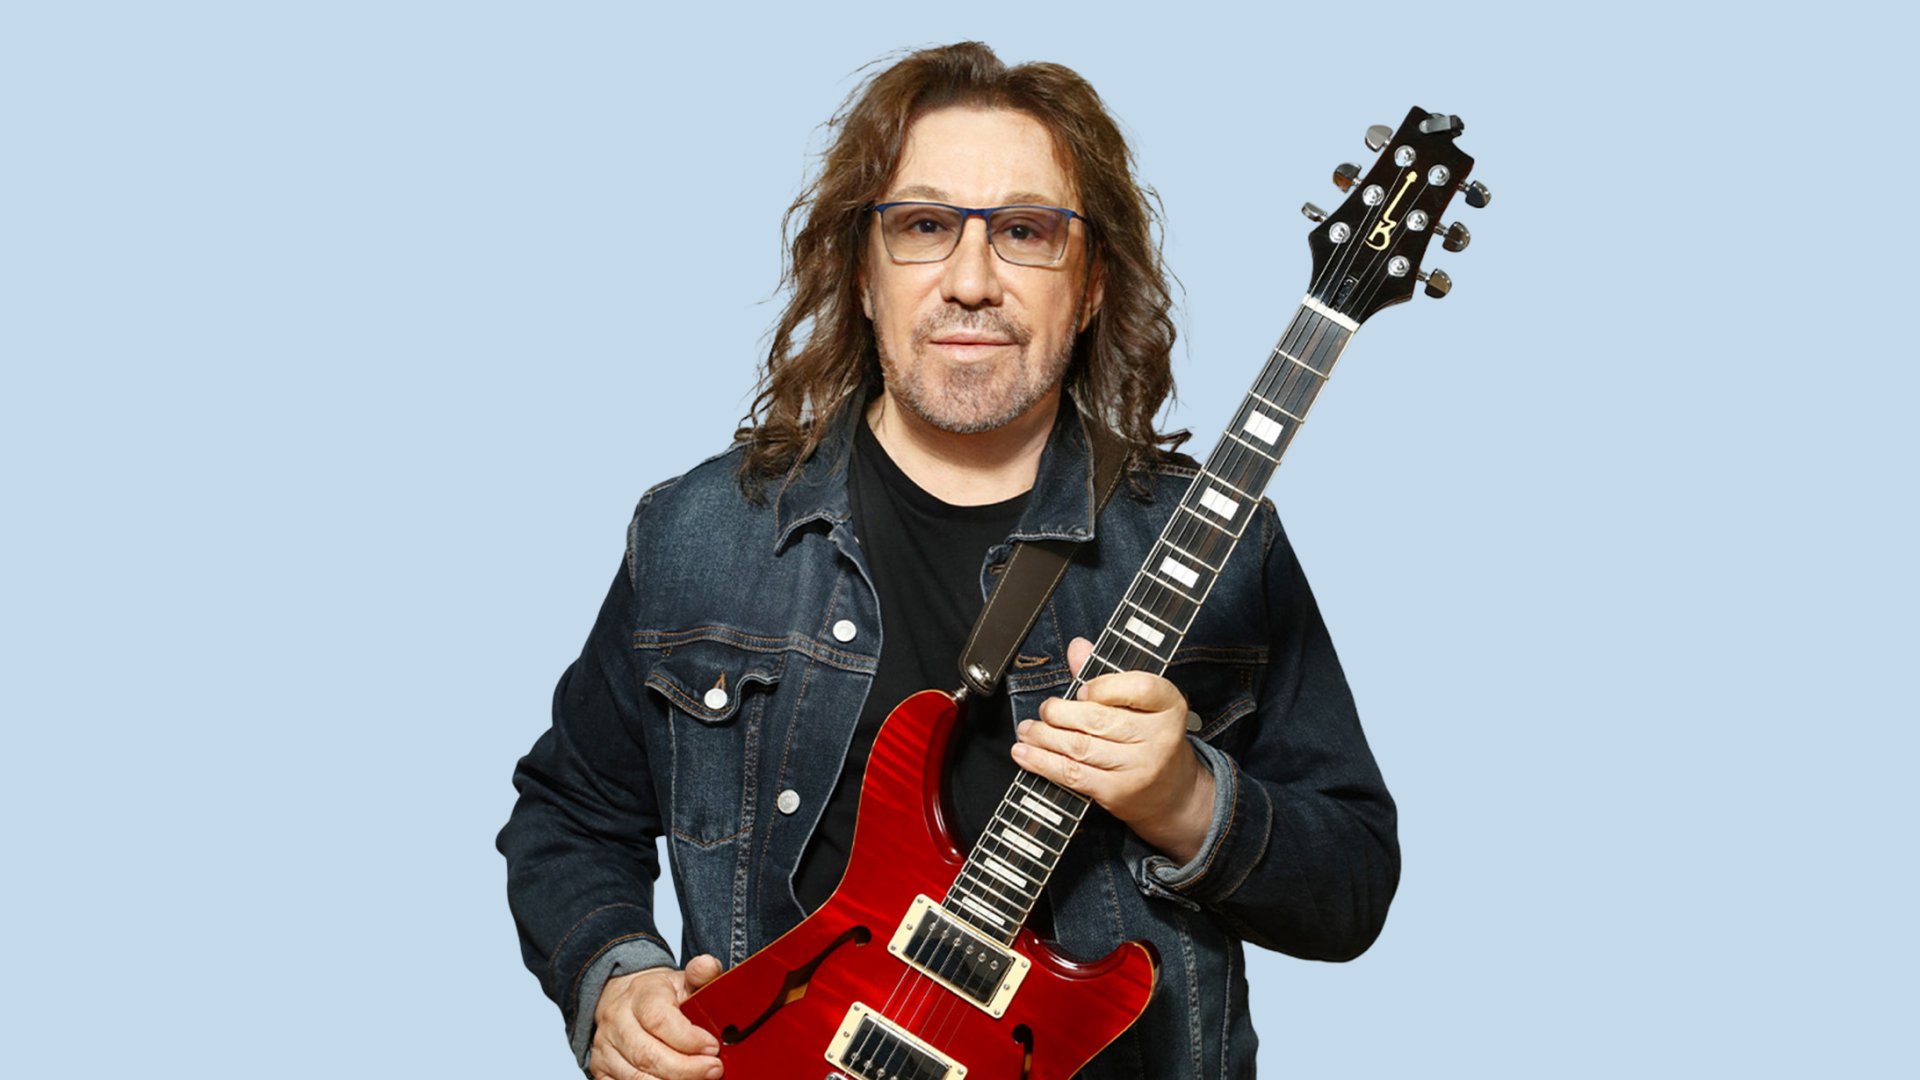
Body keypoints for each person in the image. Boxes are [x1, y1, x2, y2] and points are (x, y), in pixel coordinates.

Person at [498, 41, 1398, 1080]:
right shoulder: (699, 532)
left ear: (1091, 285)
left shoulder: (1221, 545)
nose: (971, 282)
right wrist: (616, 978)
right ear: (862, 273)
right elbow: (569, 815)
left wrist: (1188, 801)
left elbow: (1354, 888)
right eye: (924, 226)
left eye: (1026, 231)